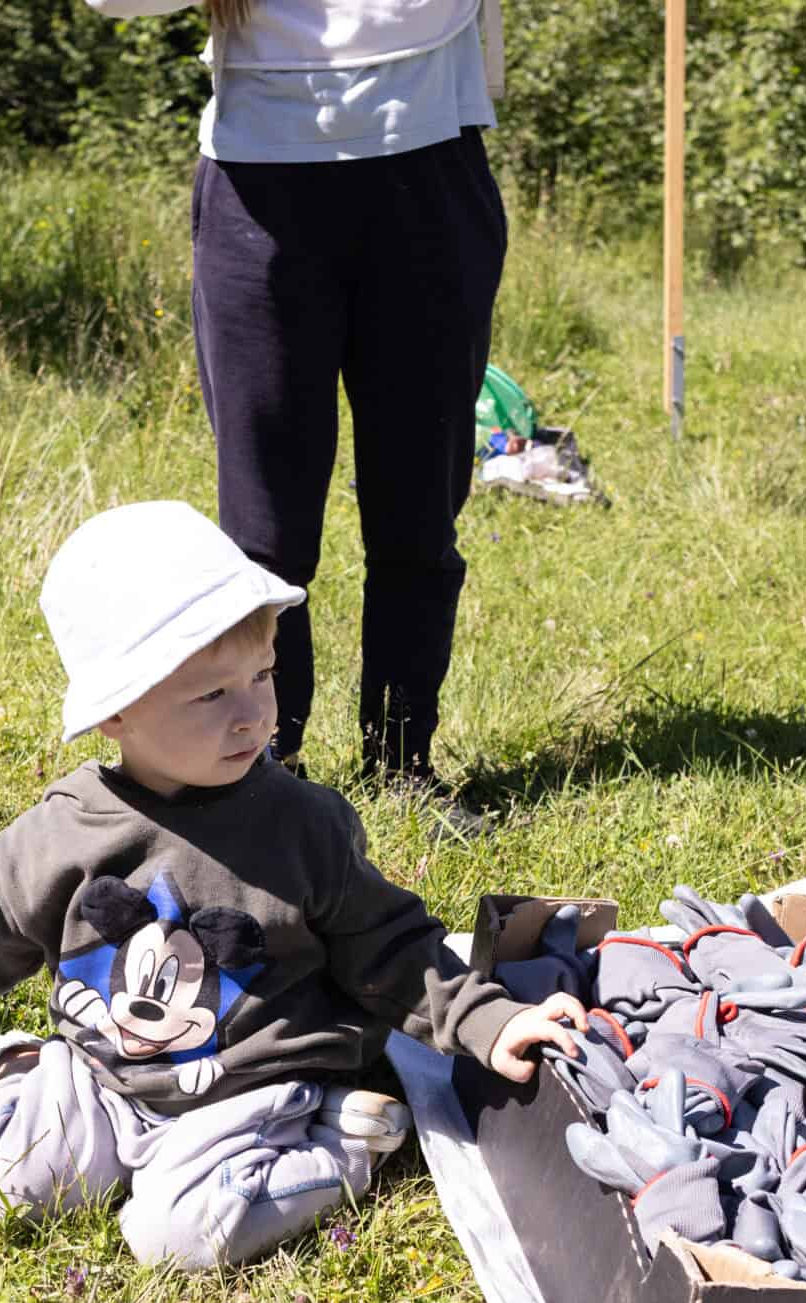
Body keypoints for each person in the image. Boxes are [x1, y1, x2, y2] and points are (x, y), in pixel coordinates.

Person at [0, 501, 584, 1269]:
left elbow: (389, 944)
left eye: (263, 676)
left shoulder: (301, 826)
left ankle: (337, 1140)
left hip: (249, 1085)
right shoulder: (66, 833)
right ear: (116, 713)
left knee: (173, 1237)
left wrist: (486, 1018)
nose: (253, 715)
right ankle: (26, 1073)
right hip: (107, 1077)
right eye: (210, 694)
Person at [83, 0, 509, 827]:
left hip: (428, 176)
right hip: (260, 190)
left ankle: (403, 764)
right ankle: (267, 770)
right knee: (265, 532)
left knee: (418, 511)